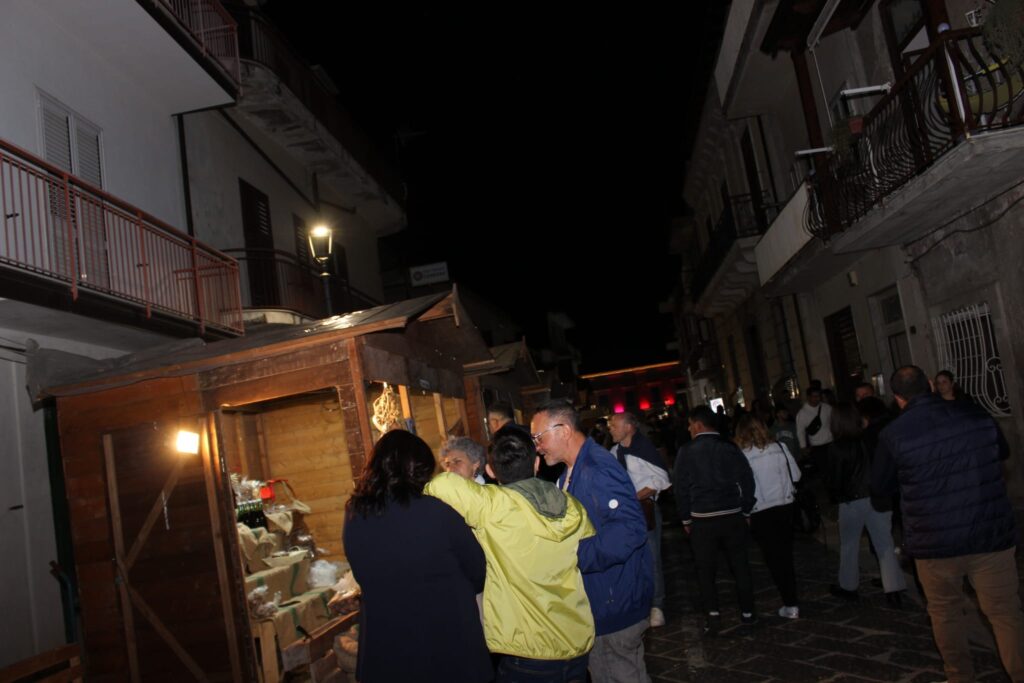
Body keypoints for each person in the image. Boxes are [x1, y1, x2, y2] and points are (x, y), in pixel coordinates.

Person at [874, 366, 1024, 683]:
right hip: (989, 533)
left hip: (935, 542)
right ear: (930, 385)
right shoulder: (975, 416)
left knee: (945, 612)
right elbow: (1004, 452)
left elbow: (880, 488)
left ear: (898, 399)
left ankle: (959, 676)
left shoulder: (893, 435)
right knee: (1005, 613)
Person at [426, 430, 595, 681]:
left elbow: (439, 485)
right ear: (536, 463)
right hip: (577, 642)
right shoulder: (571, 504)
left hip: (528, 650)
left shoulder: (492, 505)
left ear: (491, 471)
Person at [342, 430, 492, 683]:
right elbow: (477, 570)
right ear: (419, 469)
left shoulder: (355, 514)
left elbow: (361, 569)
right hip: (447, 643)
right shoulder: (438, 510)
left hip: (388, 647)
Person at [531, 399, 652, 683]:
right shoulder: (569, 472)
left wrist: (572, 556)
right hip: (601, 600)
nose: (537, 445)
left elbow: (630, 529)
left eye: (539, 437)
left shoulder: (596, 468)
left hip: (614, 602)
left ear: (563, 430)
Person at [674, 405, 757, 636]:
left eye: (690, 424)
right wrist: (746, 509)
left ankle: (713, 615)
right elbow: (747, 479)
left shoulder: (686, 451)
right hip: (732, 515)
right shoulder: (729, 447)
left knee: (705, 570)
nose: (689, 429)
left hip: (703, 519)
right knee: (740, 566)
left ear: (698, 425)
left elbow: (680, 489)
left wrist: (685, 518)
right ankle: (748, 612)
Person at [824, 402, 905, 604]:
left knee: (849, 544)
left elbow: (835, 479)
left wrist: (835, 497)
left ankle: (849, 586)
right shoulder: (872, 439)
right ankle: (893, 590)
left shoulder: (837, 447)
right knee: (885, 544)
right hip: (878, 496)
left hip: (852, 501)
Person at [734, 414, 802, 619]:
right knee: (785, 555)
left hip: (761, 510)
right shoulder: (780, 447)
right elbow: (796, 475)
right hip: (785, 506)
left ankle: (790, 603)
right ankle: (791, 599)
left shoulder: (743, 455)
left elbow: (742, 487)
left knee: (773, 558)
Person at [608, 412, 671, 628]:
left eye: (614, 425)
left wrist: (632, 498)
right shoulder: (614, 452)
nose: (610, 429)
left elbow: (660, 480)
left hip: (645, 511)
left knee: (652, 558)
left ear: (628, 427)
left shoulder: (644, 449)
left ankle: (657, 605)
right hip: (624, 514)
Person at [796, 386, 834, 472]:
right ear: (808, 397)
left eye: (819, 396)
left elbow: (833, 422)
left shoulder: (826, 407)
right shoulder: (802, 413)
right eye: (814, 396)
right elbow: (800, 431)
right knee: (824, 470)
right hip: (817, 446)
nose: (817, 399)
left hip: (831, 443)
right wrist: (803, 447)